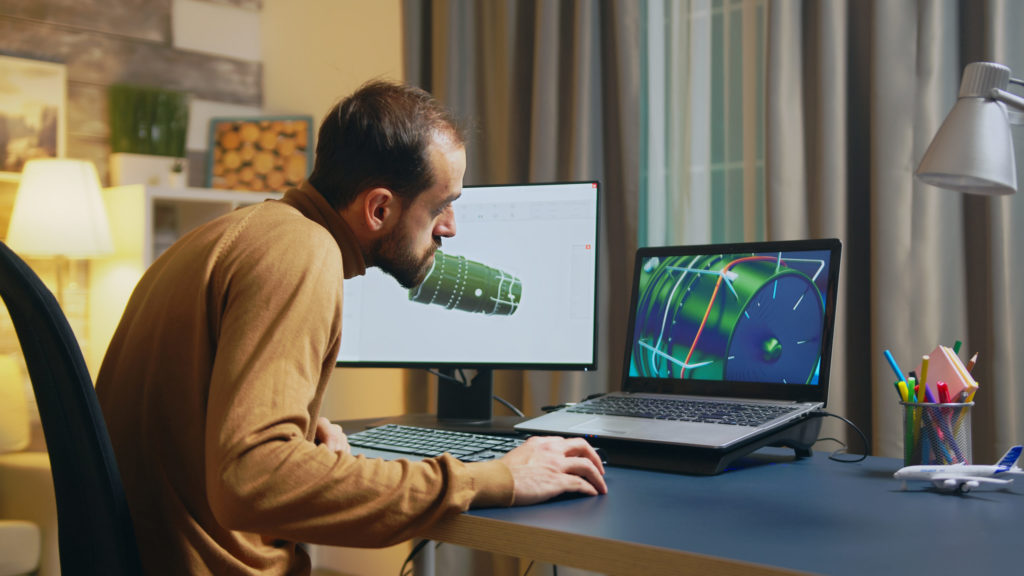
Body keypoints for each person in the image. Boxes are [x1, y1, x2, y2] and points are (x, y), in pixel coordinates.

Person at [95, 80, 607, 575]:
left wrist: (300, 448)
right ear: (379, 208)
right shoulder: (302, 250)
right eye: (441, 205)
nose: (450, 226)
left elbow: (198, 432)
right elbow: (251, 480)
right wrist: (491, 478)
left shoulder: (223, 236)